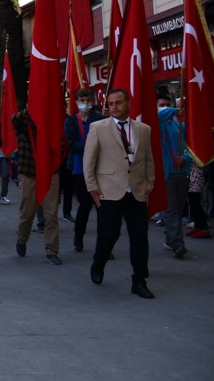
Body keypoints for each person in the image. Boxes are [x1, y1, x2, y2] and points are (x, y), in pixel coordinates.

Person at [84, 89, 156, 298]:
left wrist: (149, 184)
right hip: (108, 191)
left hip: (136, 192)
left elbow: (148, 159)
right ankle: (98, 264)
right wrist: (92, 187)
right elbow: (89, 160)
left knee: (140, 237)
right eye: (111, 104)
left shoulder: (143, 129)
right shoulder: (98, 128)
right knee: (108, 236)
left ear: (128, 104)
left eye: (118, 103)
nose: (114, 107)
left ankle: (139, 280)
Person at [12, 108, 62, 265]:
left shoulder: (51, 123)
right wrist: (35, 107)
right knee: (27, 213)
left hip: (49, 173)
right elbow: (14, 119)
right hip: (29, 173)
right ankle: (21, 239)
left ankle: (51, 250)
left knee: (51, 215)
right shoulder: (23, 123)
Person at [64, 88, 103, 252]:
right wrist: (90, 147)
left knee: (102, 206)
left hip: (99, 167)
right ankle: (78, 237)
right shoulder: (71, 121)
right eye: (82, 100)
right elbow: (72, 144)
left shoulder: (99, 119)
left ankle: (104, 245)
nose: (85, 103)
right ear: (77, 102)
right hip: (79, 168)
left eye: (88, 100)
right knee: (85, 204)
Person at [158, 101, 189, 259]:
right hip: (166, 173)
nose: (164, 107)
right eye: (161, 105)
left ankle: (170, 239)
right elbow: (158, 115)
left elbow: (190, 147)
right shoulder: (157, 123)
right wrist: (174, 110)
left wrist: (184, 158)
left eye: (166, 104)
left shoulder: (181, 125)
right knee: (170, 209)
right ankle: (178, 243)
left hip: (182, 171)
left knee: (178, 208)